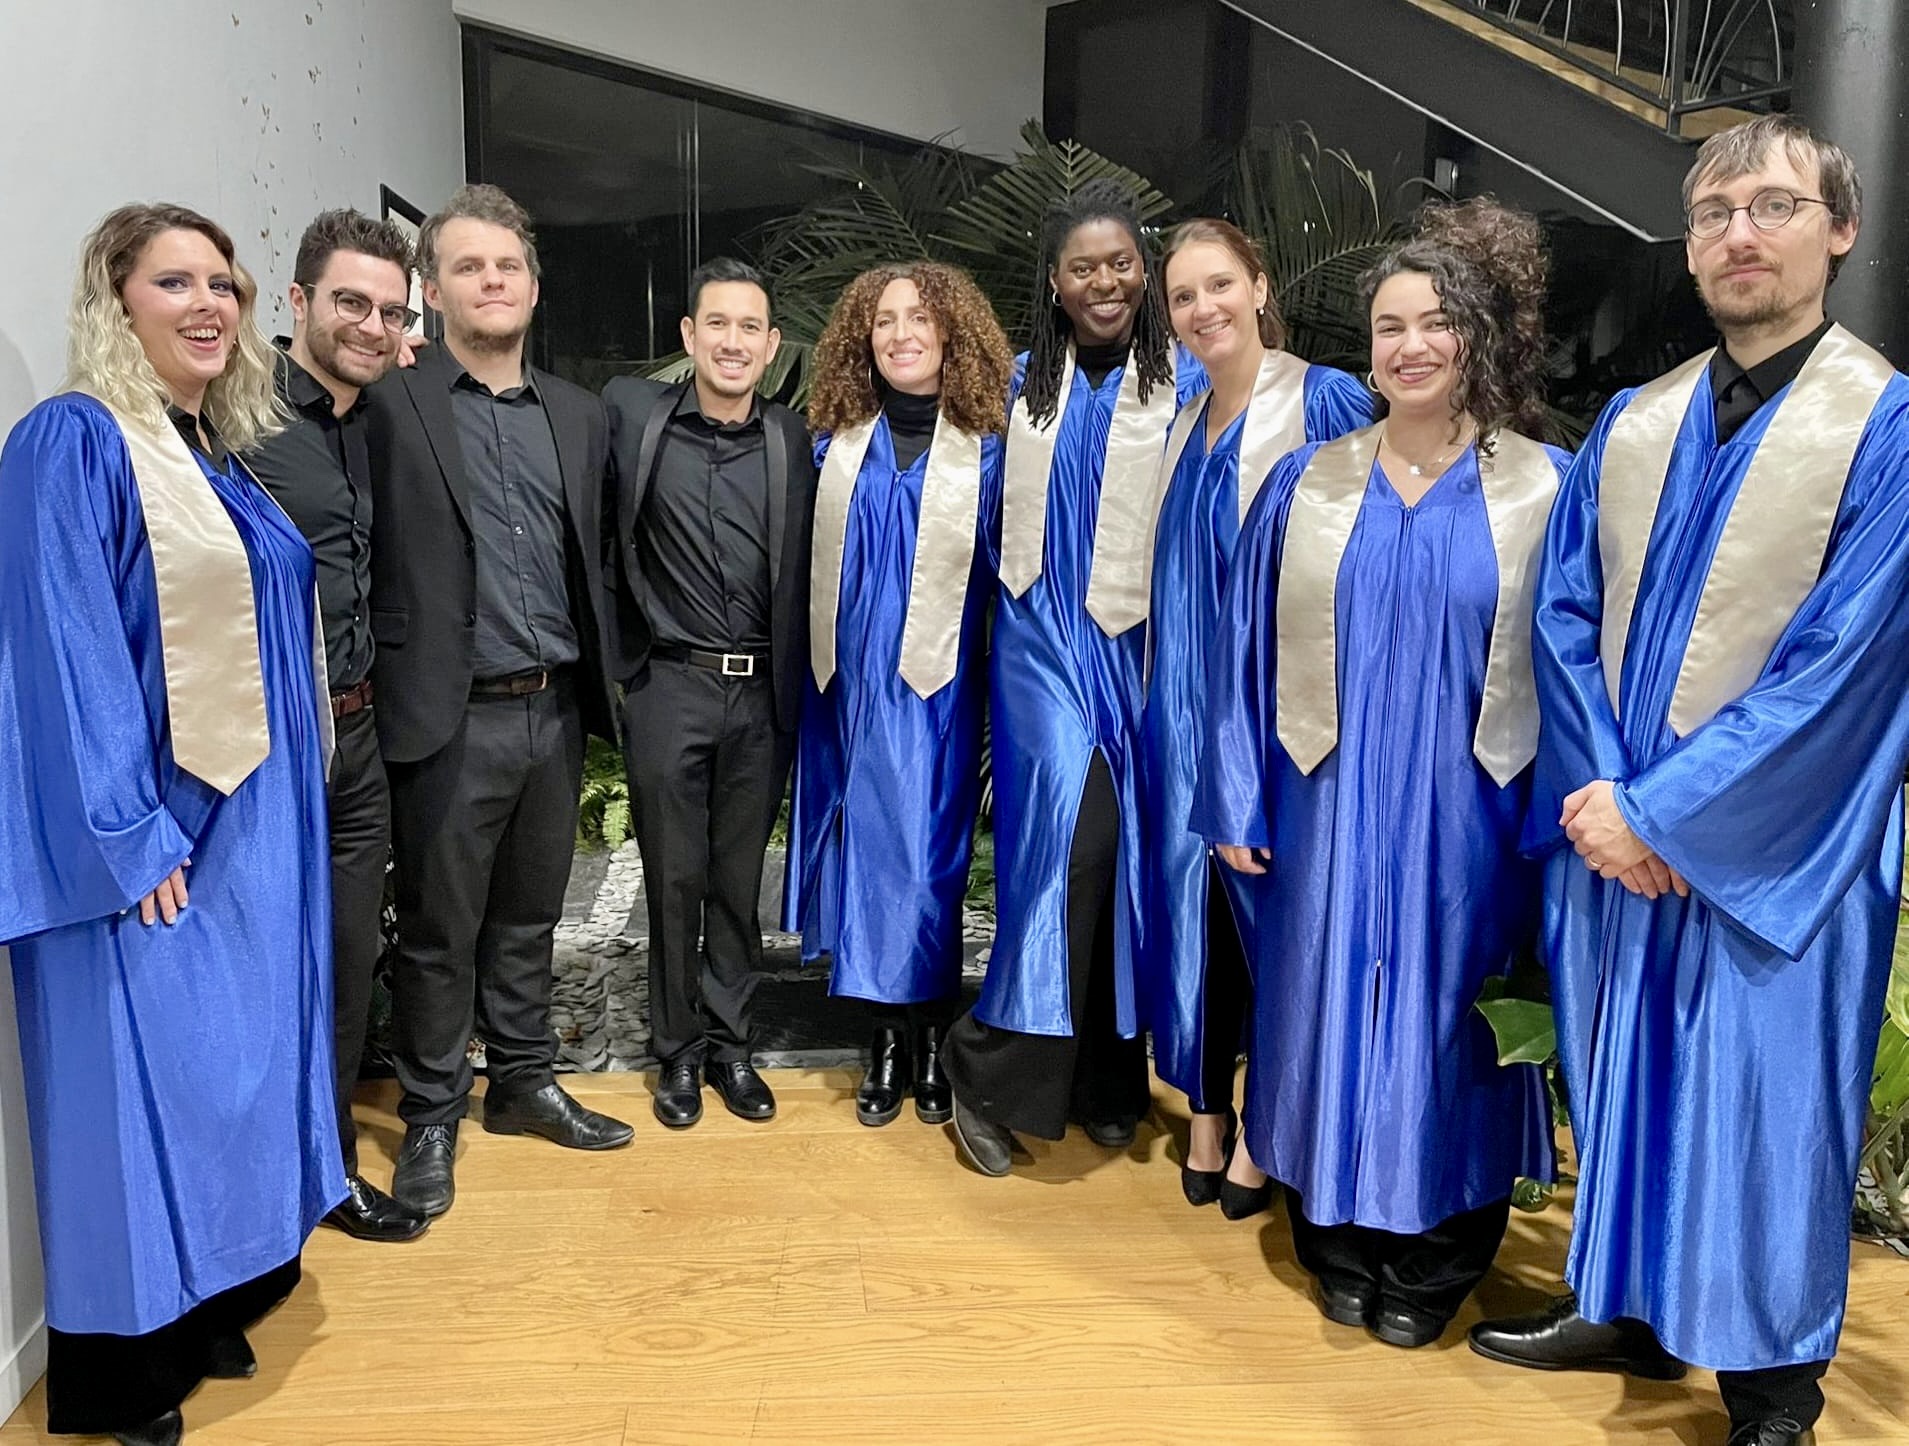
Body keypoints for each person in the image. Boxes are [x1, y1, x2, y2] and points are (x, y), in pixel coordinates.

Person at [1468, 116, 1909, 1446]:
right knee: (1625, 1071)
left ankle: (1773, 1389)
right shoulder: (1636, 420)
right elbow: (1560, 613)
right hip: (1620, 836)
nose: (1736, 234)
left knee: (1763, 1102)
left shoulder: (1886, 428)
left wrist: (1663, 811)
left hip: (1779, 844)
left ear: (1839, 229)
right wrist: (1609, 801)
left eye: (1772, 206)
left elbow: (1850, 663)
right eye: (1712, 212)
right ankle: (1626, 1306)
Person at [1194, 198, 1566, 1348]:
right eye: (1387, 327)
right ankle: (1337, 1244)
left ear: (1476, 336)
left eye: (1434, 323)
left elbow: (1577, 670)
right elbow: (1237, 656)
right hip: (1326, 806)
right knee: (1318, 1006)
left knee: (1449, 1021)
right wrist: (1235, 796)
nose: (1409, 346)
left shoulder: (1543, 490)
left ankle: (1438, 1255)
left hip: (1473, 814)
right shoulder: (1307, 485)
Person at [0, 203, 344, 1445]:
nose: (208, 304)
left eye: (222, 283)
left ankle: (207, 1304)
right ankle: (122, 1366)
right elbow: (65, 647)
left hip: (252, 828)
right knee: (131, 1085)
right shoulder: (73, 441)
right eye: (173, 282)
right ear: (116, 301)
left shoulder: (216, 456)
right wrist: (127, 834)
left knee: (222, 1078)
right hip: (153, 835)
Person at [364, 183, 633, 1222]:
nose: (491, 281)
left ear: (533, 285)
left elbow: (598, 554)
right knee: (439, 930)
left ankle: (522, 1081)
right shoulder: (392, 403)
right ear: (431, 293)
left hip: (552, 712)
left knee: (529, 916)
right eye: (467, 266)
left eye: (507, 265)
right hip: (449, 715)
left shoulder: (579, 413)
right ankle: (433, 1112)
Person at [940, 180, 1207, 1176]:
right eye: (1082, 268)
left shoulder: (1186, 385)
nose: (1104, 282)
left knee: (1130, 863)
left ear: (1146, 274)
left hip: (1144, 663)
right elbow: (955, 515)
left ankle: (1102, 1077)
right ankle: (984, 1068)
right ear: (1053, 284)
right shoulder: (1014, 390)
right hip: (1041, 653)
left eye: (1121, 264)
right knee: (1066, 855)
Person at [1141, 218, 1371, 1215]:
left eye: (1219, 285)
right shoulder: (1182, 424)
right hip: (1181, 716)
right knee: (1190, 913)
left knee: (1274, 919)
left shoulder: (1325, 401)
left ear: (1260, 286)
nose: (1204, 309)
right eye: (1183, 296)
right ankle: (1205, 1110)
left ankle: (1271, 1122)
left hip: (1279, 719)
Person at [785, 261, 1013, 1126]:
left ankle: (928, 1031)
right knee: (867, 856)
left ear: (953, 332)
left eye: (919, 317)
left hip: (938, 693)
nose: (900, 334)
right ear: (862, 337)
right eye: (883, 320)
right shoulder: (832, 447)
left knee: (927, 862)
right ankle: (884, 1038)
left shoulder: (988, 450)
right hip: (844, 690)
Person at [245, 207, 428, 1244]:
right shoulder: (237, 416)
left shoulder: (377, 420)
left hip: (356, 742)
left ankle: (330, 1168)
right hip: (270, 750)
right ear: (300, 300)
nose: (370, 324)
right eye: (350, 302)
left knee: (348, 959)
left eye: (389, 311)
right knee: (268, 963)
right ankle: (258, 1186)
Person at [602, 259, 818, 1129]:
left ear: (771, 345)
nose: (733, 342)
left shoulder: (793, 439)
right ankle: (678, 1054)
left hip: (762, 694)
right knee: (673, 879)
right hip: (669, 684)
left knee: (736, 880)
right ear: (689, 335)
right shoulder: (630, 416)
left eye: (749, 328)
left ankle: (732, 1048)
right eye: (716, 324)